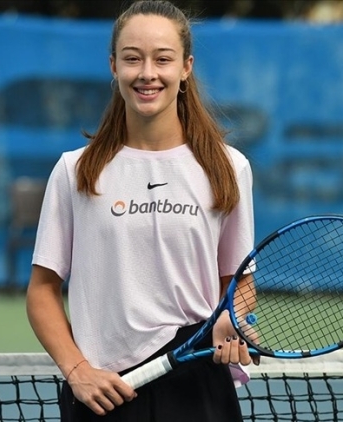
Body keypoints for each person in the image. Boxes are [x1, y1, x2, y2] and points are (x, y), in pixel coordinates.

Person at [25, 1, 256, 421]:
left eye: (162, 59)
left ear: (186, 68)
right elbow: (42, 291)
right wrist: (78, 372)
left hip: (197, 382)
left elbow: (238, 280)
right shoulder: (75, 170)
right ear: (113, 66)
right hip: (103, 392)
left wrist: (231, 317)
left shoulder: (229, 167)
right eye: (132, 58)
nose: (147, 73)